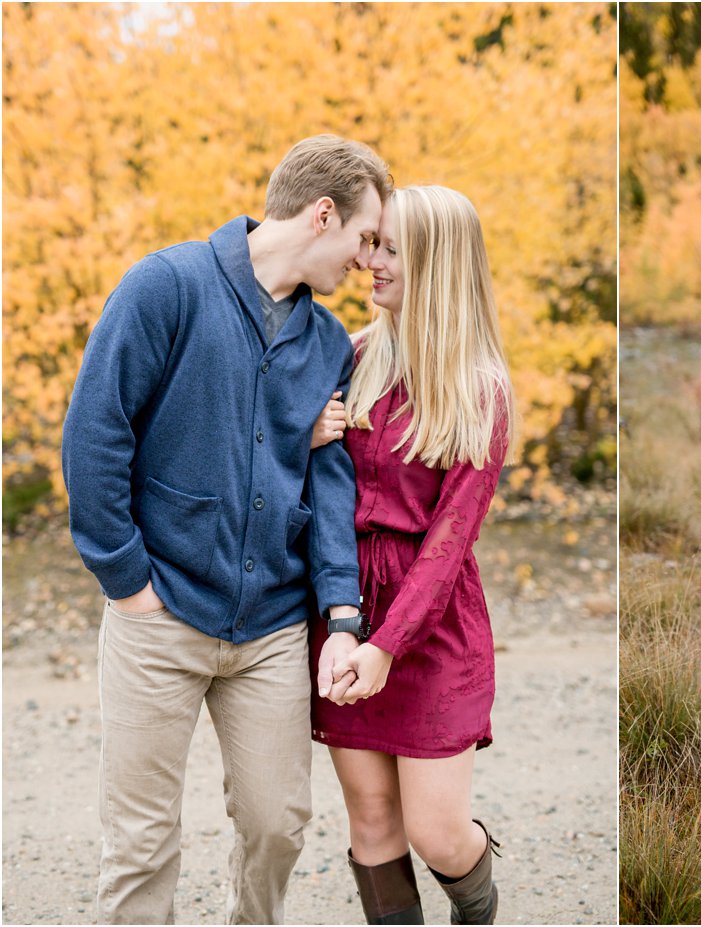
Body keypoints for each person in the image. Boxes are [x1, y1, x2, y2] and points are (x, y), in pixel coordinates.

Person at [61, 135, 391, 924]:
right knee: (141, 841)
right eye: (362, 236)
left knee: (279, 823)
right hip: (158, 611)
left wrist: (341, 611)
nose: (364, 258)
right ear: (321, 214)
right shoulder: (166, 286)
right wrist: (127, 582)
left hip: (272, 626)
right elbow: (94, 435)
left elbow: (328, 481)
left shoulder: (323, 344)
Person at [307, 185, 517, 926]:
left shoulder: (479, 390)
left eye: (391, 249)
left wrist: (389, 645)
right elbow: (318, 488)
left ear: (438, 263)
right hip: (344, 607)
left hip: (429, 623)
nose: (372, 261)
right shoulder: (351, 356)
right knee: (371, 821)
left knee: (436, 831)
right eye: (374, 245)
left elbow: (450, 540)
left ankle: (477, 900)